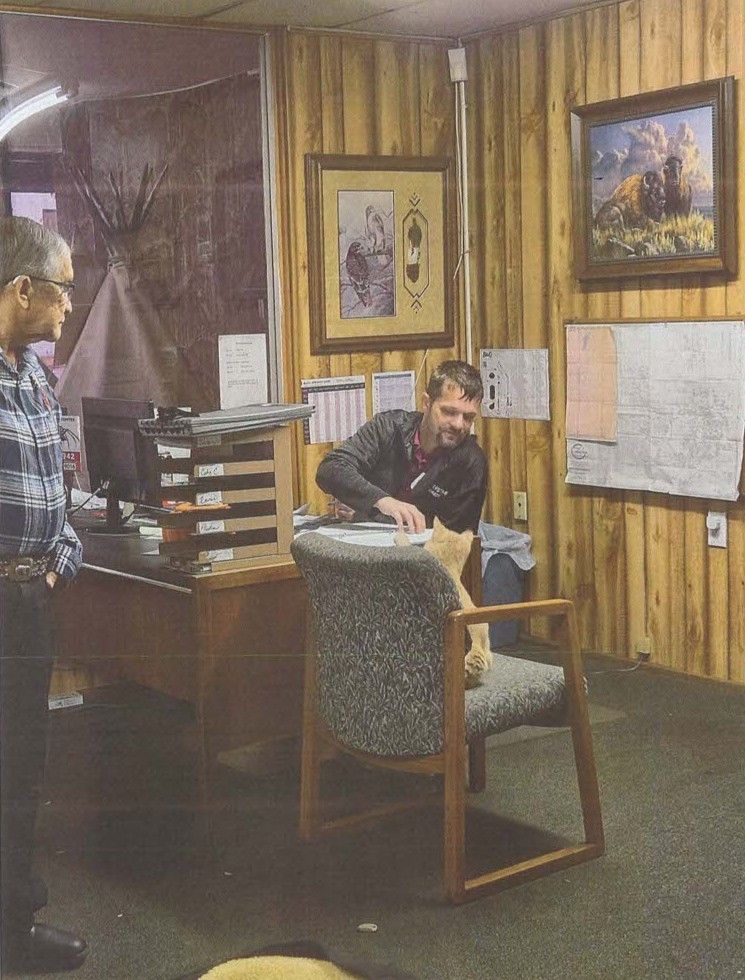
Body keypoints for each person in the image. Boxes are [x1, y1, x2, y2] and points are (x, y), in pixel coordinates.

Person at [0, 216, 88, 971]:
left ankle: (14, 929)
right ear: (21, 288)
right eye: (59, 291)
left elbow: (61, 493)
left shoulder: (34, 378)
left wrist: (60, 560)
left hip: (30, 603)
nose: (67, 307)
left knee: (20, 768)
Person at [316, 359, 487, 533]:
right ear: (426, 402)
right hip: (364, 548)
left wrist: (364, 514)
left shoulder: (471, 462)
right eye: (449, 412)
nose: (459, 424)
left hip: (421, 554)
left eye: (468, 417)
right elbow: (330, 468)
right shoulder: (388, 428)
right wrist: (382, 501)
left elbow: (453, 539)